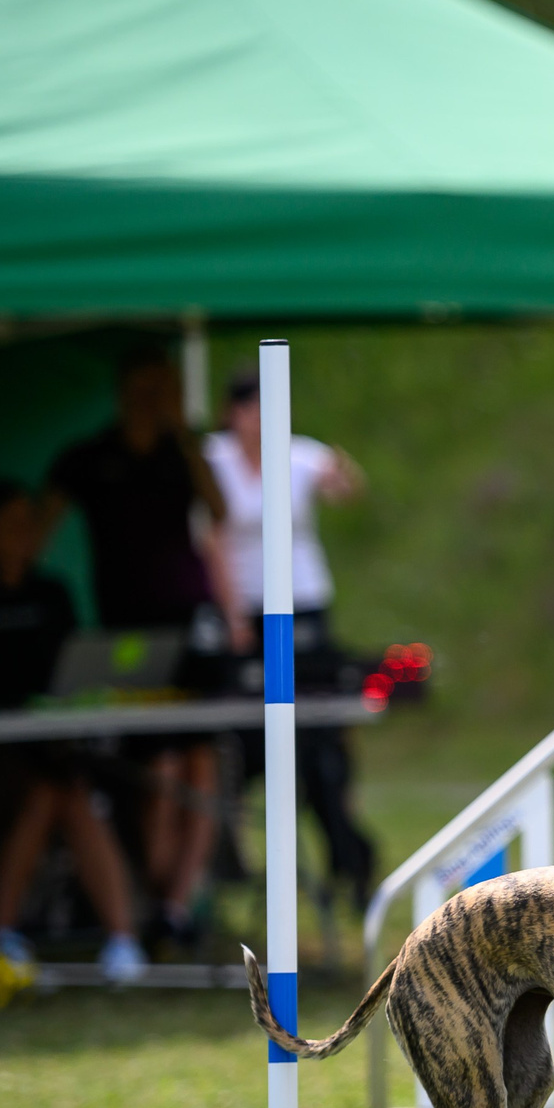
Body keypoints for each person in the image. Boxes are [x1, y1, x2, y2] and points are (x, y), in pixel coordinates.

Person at [38, 346, 240, 950]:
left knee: (201, 764)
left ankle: (175, 907)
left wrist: (184, 434)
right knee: (159, 770)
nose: (154, 400)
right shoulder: (89, 457)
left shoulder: (183, 452)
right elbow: (38, 526)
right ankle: (154, 896)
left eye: (164, 389)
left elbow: (220, 510)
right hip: (129, 633)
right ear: (125, 389)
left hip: (191, 624)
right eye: (146, 388)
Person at [0, 483, 146, 984]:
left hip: (52, 747)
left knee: (66, 791)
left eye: (31, 522)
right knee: (52, 792)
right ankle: (8, 938)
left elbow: (77, 671)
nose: (27, 533)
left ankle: (119, 942)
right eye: (12, 524)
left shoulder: (51, 592)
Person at [206, 370, 379, 906]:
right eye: (252, 408)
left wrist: (343, 474)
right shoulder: (214, 460)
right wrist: (231, 616)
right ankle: (231, 852)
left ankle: (348, 853)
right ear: (233, 412)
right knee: (244, 739)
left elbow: (346, 490)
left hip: (304, 609)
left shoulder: (300, 455)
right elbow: (211, 538)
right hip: (247, 616)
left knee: (319, 740)